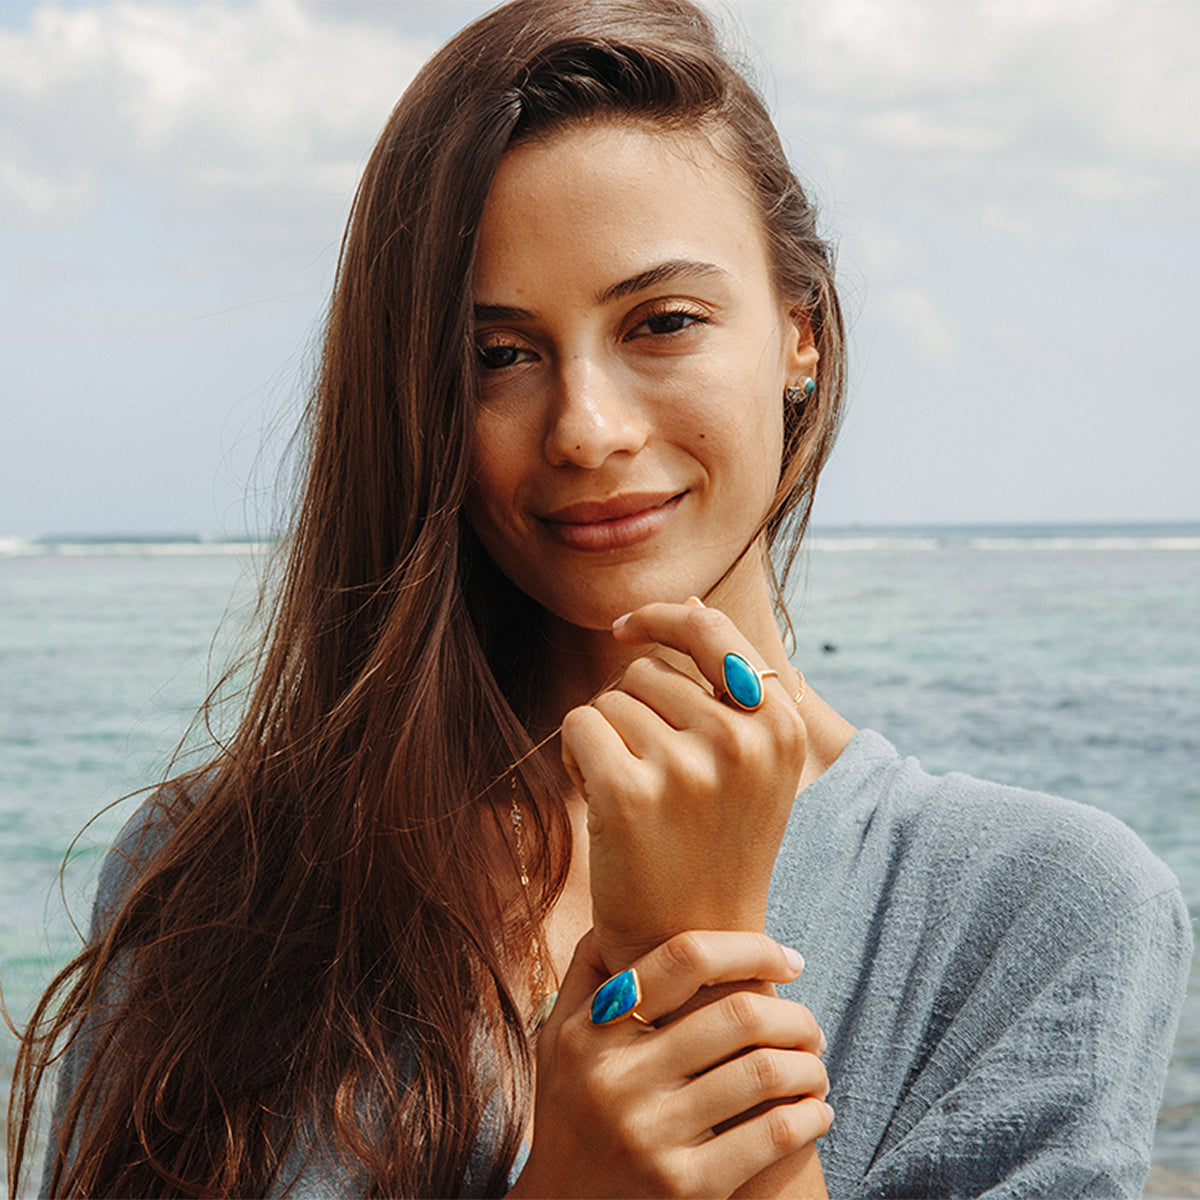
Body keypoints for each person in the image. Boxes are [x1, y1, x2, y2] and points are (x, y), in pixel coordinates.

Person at [10, 1, 1189, 1196]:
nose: (587, 428)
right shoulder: (219, 874)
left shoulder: (1044, 912)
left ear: (801, 333)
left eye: (662, 323)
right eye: (499, 356)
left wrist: (705, 958)